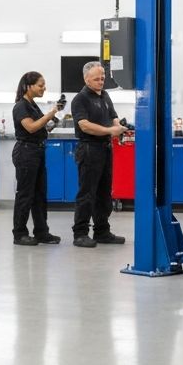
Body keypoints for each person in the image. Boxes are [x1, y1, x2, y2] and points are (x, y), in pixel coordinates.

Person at [70, 61, 127, 247]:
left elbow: (113, 116)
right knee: (87, 193)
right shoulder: (80, 99)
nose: (101, 81)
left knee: (104, 193)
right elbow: (84, 125)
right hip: (89, 149)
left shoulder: (105, 95)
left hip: (105, 148)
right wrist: (110, 131)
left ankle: (102, 231)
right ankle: (80, 233)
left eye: (102, 78)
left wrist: (118, 126)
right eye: (97, 79)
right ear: (86, 79)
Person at [11, 72, 65, 245]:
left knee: (40, 195)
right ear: (28, 86)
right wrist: (51, 112)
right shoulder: (21, 106)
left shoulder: (32, 105)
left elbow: (41, 128)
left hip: (37, 151)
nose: (44, 88)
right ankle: (19, 234)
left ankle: (42, 232)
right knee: (25, 194)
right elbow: (31, 127)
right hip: (26, 152)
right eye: (40, 85)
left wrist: (54, 120)